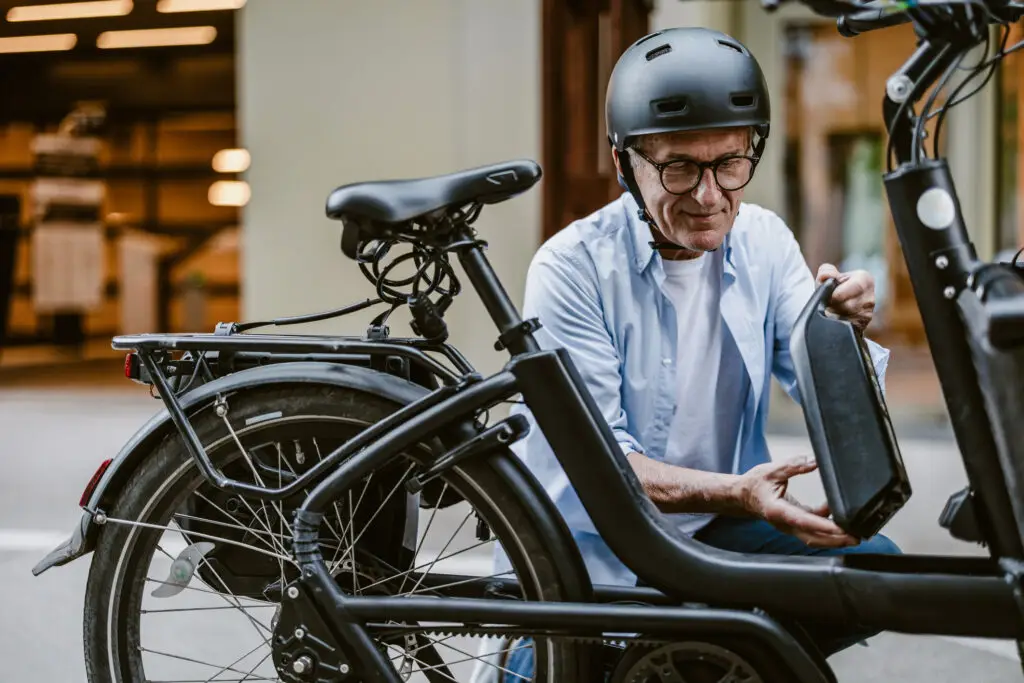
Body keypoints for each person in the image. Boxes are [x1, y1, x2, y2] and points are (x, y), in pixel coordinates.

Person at [480, 25, 902, 683]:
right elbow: (602, 469)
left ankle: (713, 652)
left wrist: (842, 324)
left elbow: (829, 390)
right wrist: (742, 492)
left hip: (712, 540)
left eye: (729, 162)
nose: (710, 195)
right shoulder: (571, 267)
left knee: (880, 571)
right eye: (679, 166)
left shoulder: (762, 238)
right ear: (626, 163)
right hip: (593, 561)